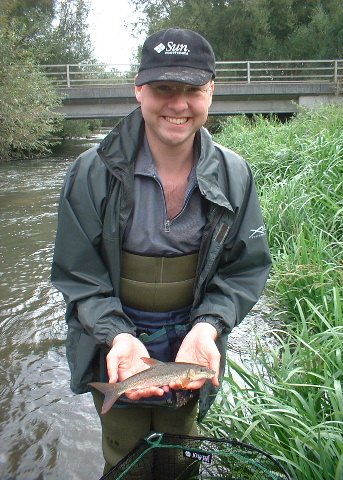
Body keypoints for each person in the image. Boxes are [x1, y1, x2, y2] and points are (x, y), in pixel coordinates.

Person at [51, 27, 272, 478]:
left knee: (180, 451)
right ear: (138, 89)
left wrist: (209, 327)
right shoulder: (91, 173)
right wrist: (117, 336)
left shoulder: (234, 175)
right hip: (113, 344)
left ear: (211, 91)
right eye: (163, 88)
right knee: (124, 452)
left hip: (191, 344)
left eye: (192, 89)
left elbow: (244, 269)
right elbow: (78, 276)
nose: (178, 104)